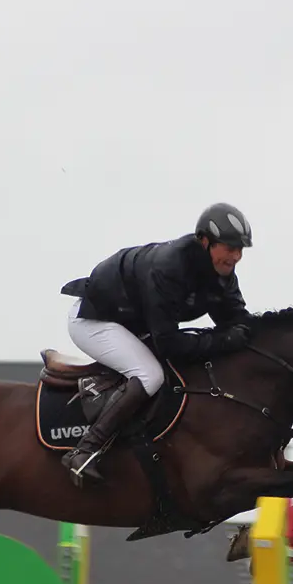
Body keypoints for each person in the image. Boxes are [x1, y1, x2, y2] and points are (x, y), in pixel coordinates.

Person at [58, 202, 256, 485]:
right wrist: (223, 339)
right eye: (230, 247)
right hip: (94, 321)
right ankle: (84, 450)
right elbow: (169, 344)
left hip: (132, 325)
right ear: (205, 241)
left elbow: (237, 320)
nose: (236, 256)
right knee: (149, 375)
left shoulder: (221, 275)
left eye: (240, 250)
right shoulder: (170, 267)